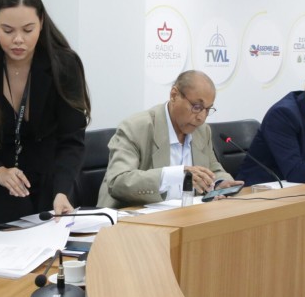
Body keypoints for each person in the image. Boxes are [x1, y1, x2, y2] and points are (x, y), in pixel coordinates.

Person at [0, 0, 90, 231]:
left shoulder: (64, 64)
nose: (18, 40)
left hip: (52, 183)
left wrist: (63, 190)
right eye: (7, 30)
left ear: (41, 22)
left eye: (28, 30)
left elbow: (72, 139)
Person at [98, 70, 241, 208]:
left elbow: (213, 169)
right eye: (197, 107)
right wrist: (176, 175)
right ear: (174, 95)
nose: (201, 117)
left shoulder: (202, 131)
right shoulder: (135, 128)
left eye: (207, 110)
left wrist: (220, 183)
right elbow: (118, 182)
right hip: (135, 217)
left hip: (188, 216)